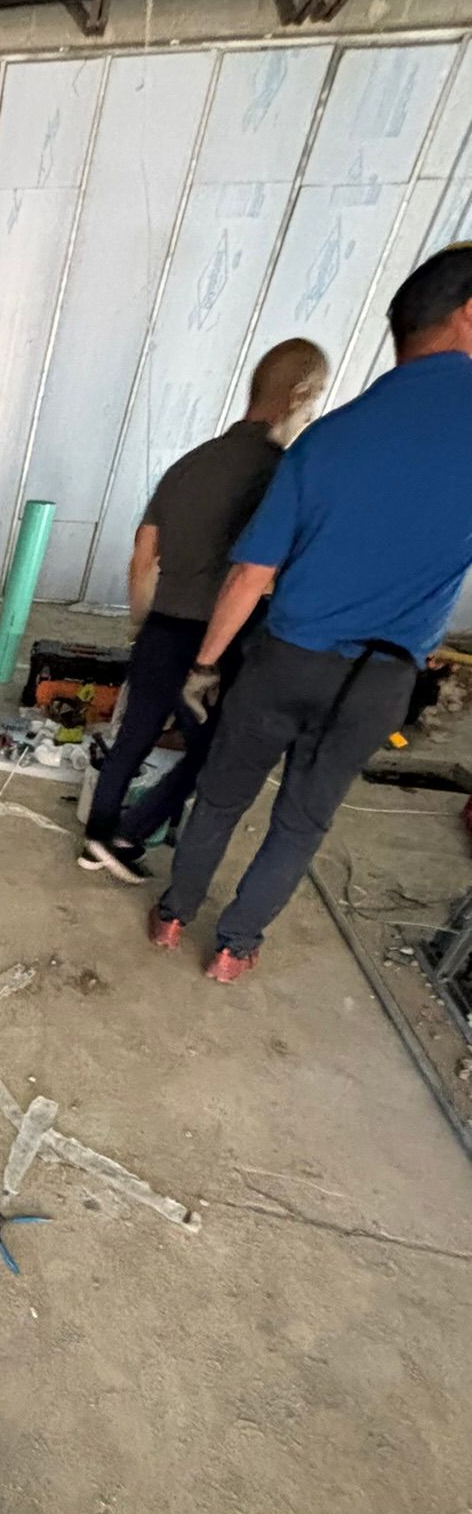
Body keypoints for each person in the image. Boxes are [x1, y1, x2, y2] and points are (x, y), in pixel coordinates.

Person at [150, 244, 472, 982]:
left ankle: (173, 916)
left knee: (222, 797)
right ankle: (234, 948)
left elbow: (249, 575)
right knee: (301, 821)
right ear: (467, 314)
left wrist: (204, 667)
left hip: (286, 657)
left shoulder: (330, 438)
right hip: (383, 676)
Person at [79, 338, 329, 882]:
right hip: (221, 640)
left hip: (163, 626)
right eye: (316, 401)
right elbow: (260, 575)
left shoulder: (188, 465)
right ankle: (127, 836)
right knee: (212, 751)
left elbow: (144, 556)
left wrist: (144, 624)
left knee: (134, 736)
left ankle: (95, 833)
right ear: (301, 395)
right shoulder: (284, 475)